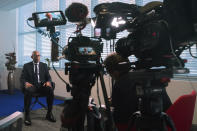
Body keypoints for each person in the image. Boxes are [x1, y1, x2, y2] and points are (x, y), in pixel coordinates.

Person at [103, 52, 172, 131]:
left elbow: (119, 116)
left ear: (115, 72)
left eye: (110, 74)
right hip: (166, 121)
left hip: (133, 125)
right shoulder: (148, 75)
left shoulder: (119, 84)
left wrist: (110, 106)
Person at [20, 51, 56, 126]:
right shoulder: (26, 66)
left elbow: (48, 77)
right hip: (32, 86)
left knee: (50, 89)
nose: (37, 57)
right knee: (28, 91)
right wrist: (25, 83)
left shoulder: (44, 65)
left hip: (42, 86)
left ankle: (49, 113)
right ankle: (27, 115)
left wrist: (48, 82)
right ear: (32, 57)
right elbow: (22, 78)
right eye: (35, 56)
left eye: (39, 55)